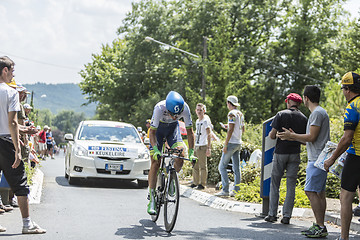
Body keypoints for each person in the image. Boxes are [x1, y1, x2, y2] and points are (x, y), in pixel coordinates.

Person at [0, 56, 46, 234]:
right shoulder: (10, 93)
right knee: (20, 182)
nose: (13, 74)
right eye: (12, 71)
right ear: (5, 70)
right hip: (5, 141)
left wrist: (25, 131)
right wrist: (18, 149)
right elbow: (10, 123)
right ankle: (27, 224)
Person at [277, 85, 330, 238]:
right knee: (319, 192)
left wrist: (292, 136)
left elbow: (311, 137)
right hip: (320, 157)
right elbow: (311, 140)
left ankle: (320, 226)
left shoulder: (316, 113)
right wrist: (294, 136)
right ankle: (320, 225)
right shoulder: (320, 112)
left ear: (306, 98)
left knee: (310, 191)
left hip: (316, 159)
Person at [147, 91, 197, 215]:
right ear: (167, 109)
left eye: (177, 115)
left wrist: (191, 152)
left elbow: (190, 132)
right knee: (155, 162)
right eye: (172, 114)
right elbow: (152, 133)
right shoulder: (159, 108)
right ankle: (152, 198)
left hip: (173, 130)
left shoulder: (185, 108)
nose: (175, 117)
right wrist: (156, 150)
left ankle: (171, 179)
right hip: (157, 132)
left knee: (181, 154)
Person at [324, 72, 360, 240]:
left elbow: (347, 138)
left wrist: (332, 158)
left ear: (347, 89)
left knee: (345, 197)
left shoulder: (353, 106)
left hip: (356, 156)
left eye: (343, 89)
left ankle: (344, 237)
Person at [264, 93, 308, 224]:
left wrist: (279, 134)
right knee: (291, 186)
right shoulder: (304, 118)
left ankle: (272, 214)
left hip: (280, 153)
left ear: (288, 102)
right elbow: (305, 140)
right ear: (299, 104)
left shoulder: (281, 114)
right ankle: (287, 216)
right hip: (295, 154)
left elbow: (272, 136)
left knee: (275, 184)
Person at [216, 95, 245, 197]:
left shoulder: (231, 114)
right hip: (238, 142)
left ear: (229, 103)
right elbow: (242, 129)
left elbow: (231, 130)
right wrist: (228, 126)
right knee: (237, 168)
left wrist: (225, 144)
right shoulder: (240, 114)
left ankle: (225, 190)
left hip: (231, 143)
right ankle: (236, 190)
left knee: (222, 167)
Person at [191, 103, 212, 190]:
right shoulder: (197, 121)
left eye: (201, 110)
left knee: (203, 166)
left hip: (203, 145)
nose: (199, 112)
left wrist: (208, 147)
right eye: (197, 110)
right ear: (195, 111)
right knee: (194, 165)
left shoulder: (205, 120)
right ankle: (195, 182)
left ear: (204, 111)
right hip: (197, 145)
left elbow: (209, 134)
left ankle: (202, 184)